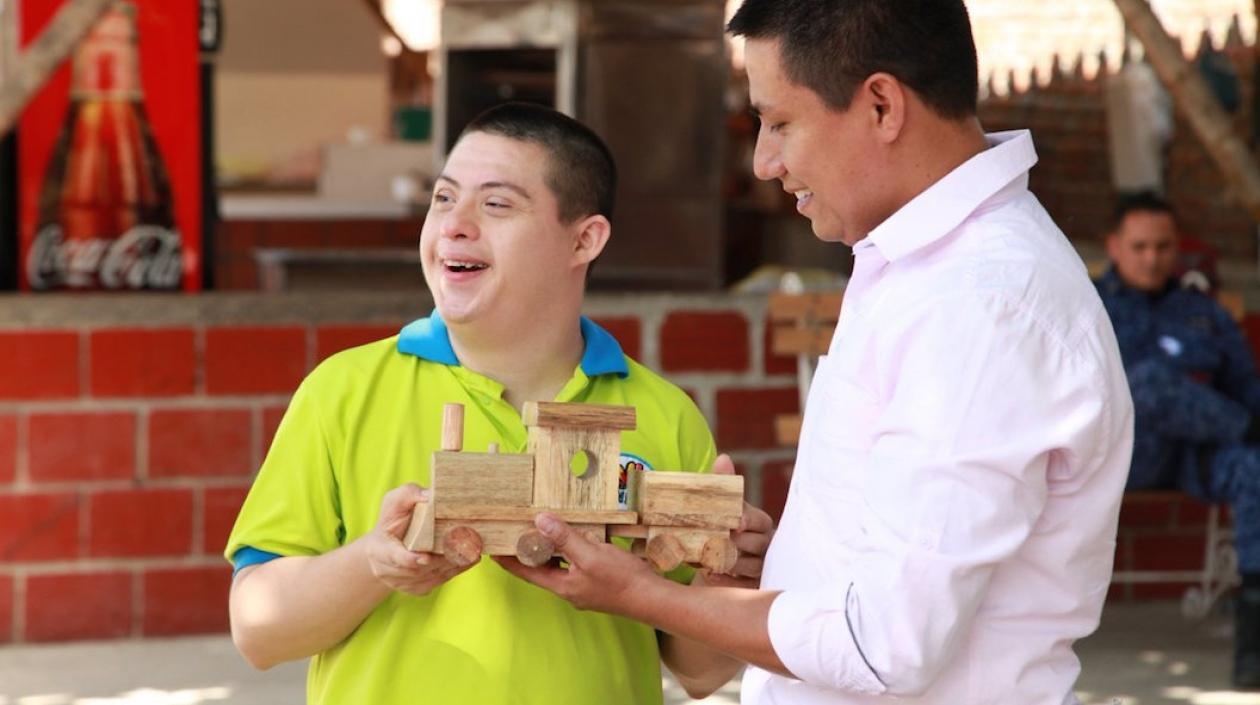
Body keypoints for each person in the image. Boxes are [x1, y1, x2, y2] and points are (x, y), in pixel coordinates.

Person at [497, 1, 1135, 703]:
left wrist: (640, 593)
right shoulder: (919, 261)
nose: (763, 162)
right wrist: (784, 559)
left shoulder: (979, 301)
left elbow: (882, 644)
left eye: (779, 123)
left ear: (882, 106)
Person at [224, 102, 764, 705]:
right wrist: (373, 564)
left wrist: (725, 580)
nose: (454, 224)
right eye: (443, 198)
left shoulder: (664, 412)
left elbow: (698, 673)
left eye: (497, 204)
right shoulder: (342, 391)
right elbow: (258, 631)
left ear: (584, 240)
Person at [1095, 191, 1260, 687]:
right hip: (1121, 456)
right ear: (1114, 246)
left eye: (1163, 247)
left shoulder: (1201, 311)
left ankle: (1253, 642)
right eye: (1140, 247)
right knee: (1147, 383)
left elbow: (1245, 386)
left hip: (1195, 454)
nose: (1152, 258)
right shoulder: (1088, 306)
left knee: (1253, 468)